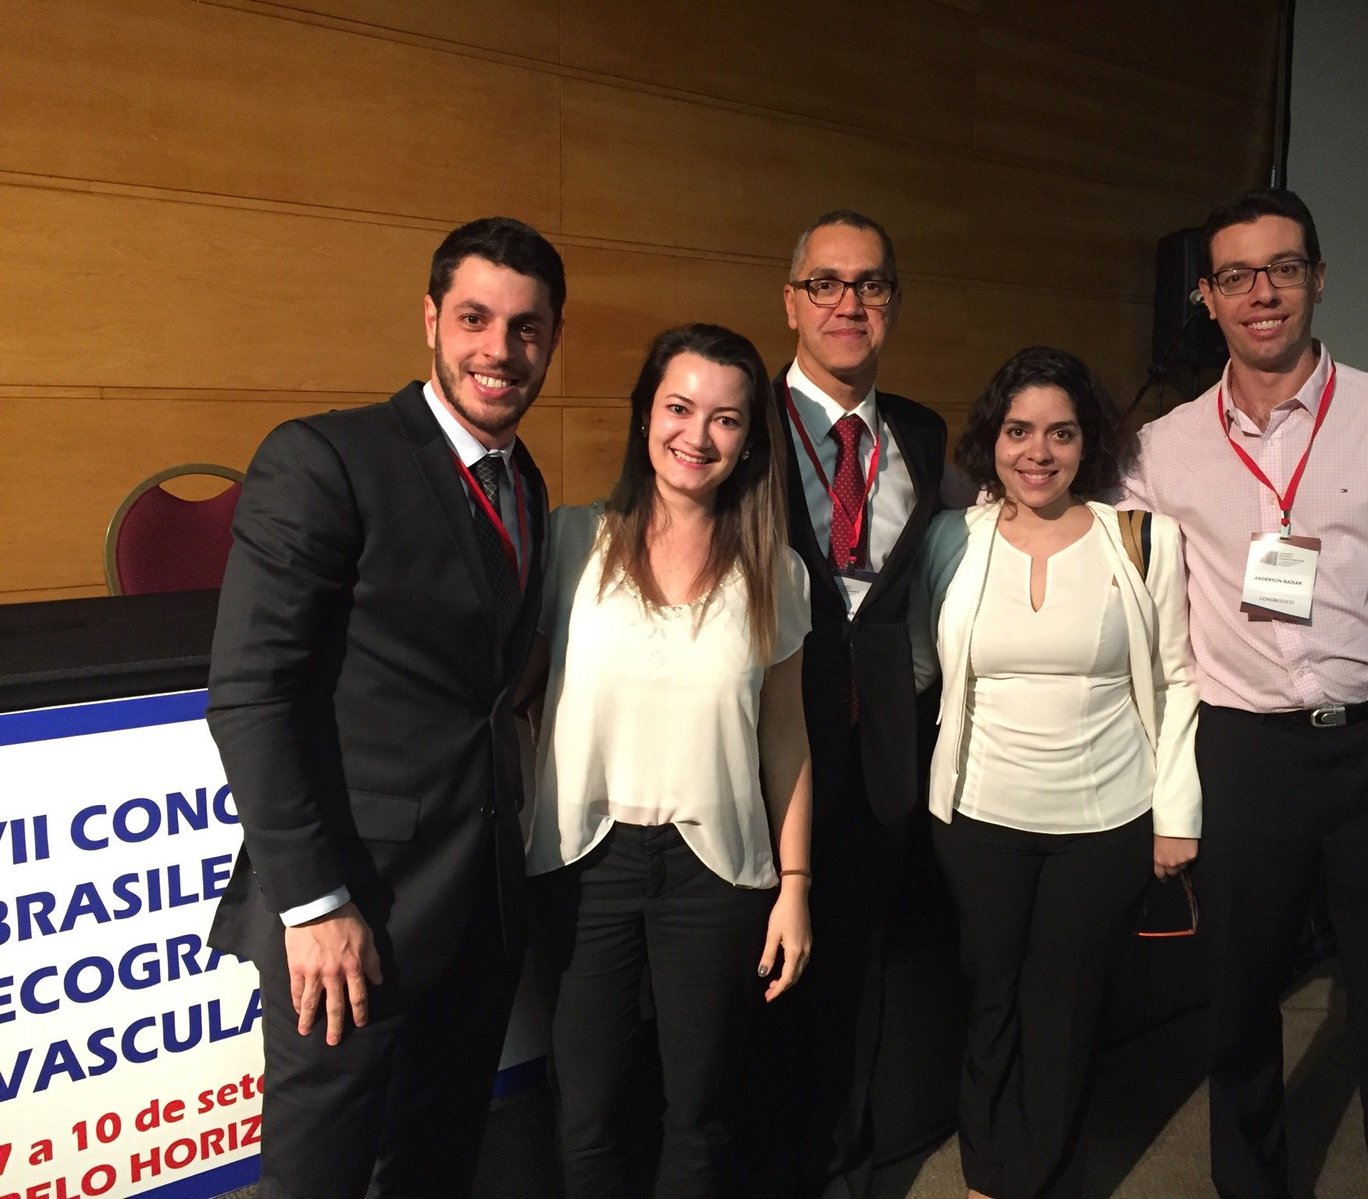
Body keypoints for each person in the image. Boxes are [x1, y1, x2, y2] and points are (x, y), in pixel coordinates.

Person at [1121, 188, 1368, 1199]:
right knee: (1236, 1003)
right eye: (1237, 276)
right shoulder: (1161, 448)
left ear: (1316, 279)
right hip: (1243, 755)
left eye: (1284, 268)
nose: (1263, 293)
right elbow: (1108, 589)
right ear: (1206, 298)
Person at [206, 217, 564, 1197]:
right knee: (323, 1175)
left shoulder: (525, 482)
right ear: (430, 319)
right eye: (475, 318)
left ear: (551, 340)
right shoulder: (326, 457)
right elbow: (250, 691)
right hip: (350, 916)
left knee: (434, 1163)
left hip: (475, 911)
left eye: (526, 327)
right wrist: (312, 902)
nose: (499, 349)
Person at [527, 323, 814, 1198]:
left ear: (750, 440)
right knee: (588, 1113)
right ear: (644, 414)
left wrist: (795, 885)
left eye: (726, 419)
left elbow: (786, 735)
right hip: (584, 860)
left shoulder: (776, 568)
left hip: (715, 873)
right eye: (679, 407)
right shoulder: (568, 541)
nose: (698, 435)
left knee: (698, 1111)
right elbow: (511, 700)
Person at [913, 347, 1200, 1199]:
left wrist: (1177, 814)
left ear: (1089, 444)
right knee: (990, 1001)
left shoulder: (1142, 539)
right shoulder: (948, 539)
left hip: (1104, 822)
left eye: (1062, 433)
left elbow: (1181, 677)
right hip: (975, 817)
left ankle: (1035, 1177)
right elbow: (921, 666)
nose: (1039, 452)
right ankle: (982, 1172)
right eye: (1019, 430)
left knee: (1062, 1014)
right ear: (992, 439)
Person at [760, 208, 949, 1199]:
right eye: (826, 283)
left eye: (870, 284)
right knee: (752, 989)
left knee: (852, 987)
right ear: (790, 300)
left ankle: (840, 1171)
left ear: (891, 304)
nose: (848, 303)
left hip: (878, 758)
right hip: (756, 757)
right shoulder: (734, 417)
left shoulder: (919, 431)